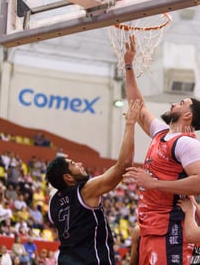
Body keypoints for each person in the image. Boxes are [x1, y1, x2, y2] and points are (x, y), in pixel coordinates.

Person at [122, 35, 200, 265]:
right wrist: (129, 65)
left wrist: (154, 183)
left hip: (170, 228)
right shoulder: (162, 133)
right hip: (150, 226)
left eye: (180, 103)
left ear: (188, 115)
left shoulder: (187, 142)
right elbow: (138, 108)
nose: (173, 104)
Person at [45, 99, 142, 264]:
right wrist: (130, 123)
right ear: (67, 177)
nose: (80, 164)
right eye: (73, 164)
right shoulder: (85, 191)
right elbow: (124, 165)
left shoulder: (53, 203)